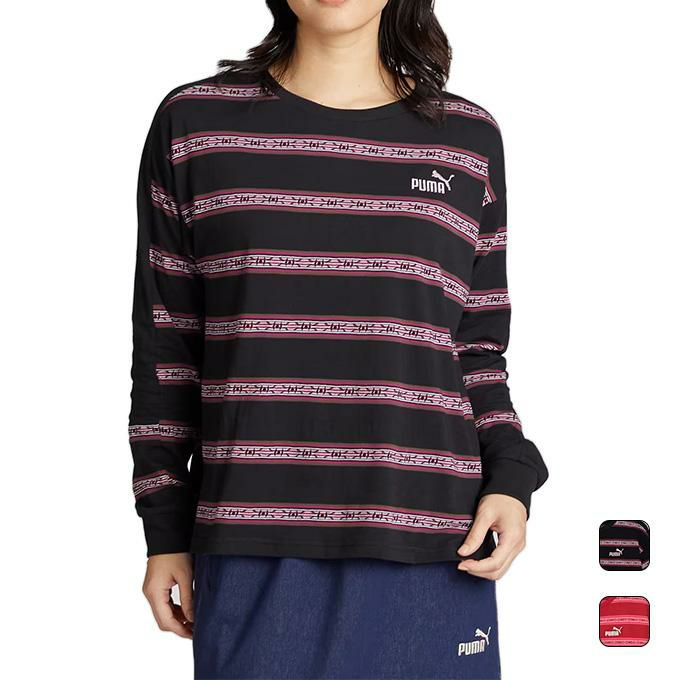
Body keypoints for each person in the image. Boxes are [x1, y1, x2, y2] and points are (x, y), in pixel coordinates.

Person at [128, 1, 549, 677]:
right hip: (252, 542)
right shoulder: (196, 124)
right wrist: (164, 527)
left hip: (433, 546)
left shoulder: (466, 139)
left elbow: (476, 350)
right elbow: (167, 347)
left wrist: (512, 478)